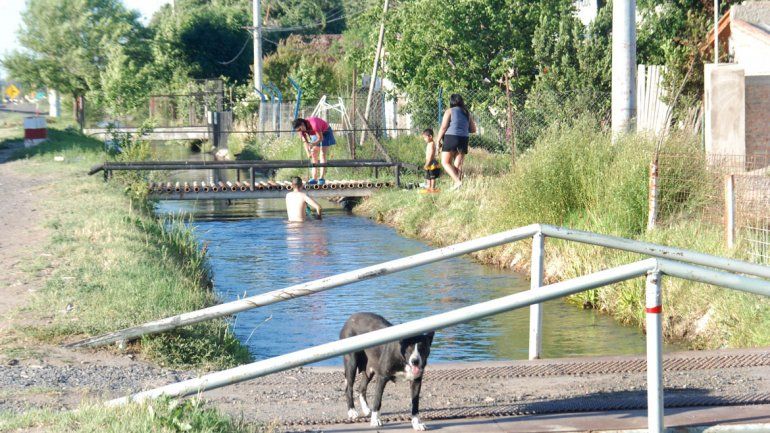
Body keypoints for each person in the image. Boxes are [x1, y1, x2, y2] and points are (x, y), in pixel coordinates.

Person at [435, 94, 476, 191]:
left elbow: (443, 127)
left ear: (451, 102)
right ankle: (459, 189)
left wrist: (438, 141)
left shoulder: (449, 111)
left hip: (451, 138)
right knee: (458, 165)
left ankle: (458, 182)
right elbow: (473, 129)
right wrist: (462, 127)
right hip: (464, 139)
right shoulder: (467, 113)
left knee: (445, 162)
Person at [293, 117, 336, 185]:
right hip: (315, 132)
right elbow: (305, 142)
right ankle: (314, 178)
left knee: (322, 154)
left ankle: (321, 178)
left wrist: (312, 144)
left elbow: (320, 138)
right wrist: (308, 152)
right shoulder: (301, 130)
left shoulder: (314, 124)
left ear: (302, 124)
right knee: (313, 154)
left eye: (300, 129)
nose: (300, 131)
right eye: (298, 130)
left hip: (325, 132)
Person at [421, 128, 441, 193]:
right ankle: (428, 187)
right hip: (428, 162)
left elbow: (431, 155)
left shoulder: (432, 144)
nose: (424, 139)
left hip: (432, 163)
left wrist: (427, 163)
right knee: (428, 176)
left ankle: (432, 188)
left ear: (430, 136)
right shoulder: (429, 143)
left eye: (425, 137)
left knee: (432, 177)